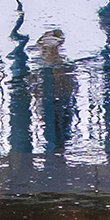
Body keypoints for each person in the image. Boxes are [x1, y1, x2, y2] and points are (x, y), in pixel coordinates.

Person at [34, 25, 76, 159]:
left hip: (54, 95)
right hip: (57, 96)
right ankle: (58, 145)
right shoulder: (66, 66)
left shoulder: (63, 67)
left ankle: (57, 145)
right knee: (59, 119)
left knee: (56, 119)